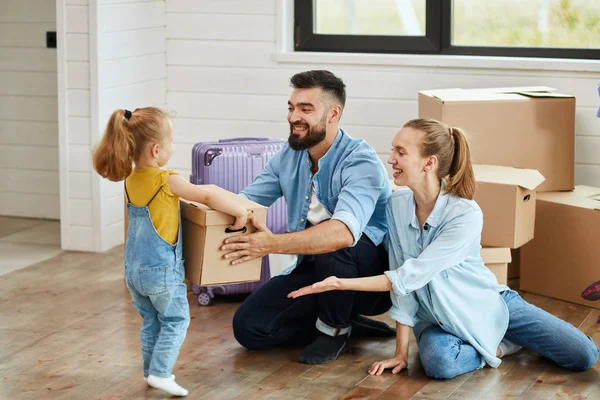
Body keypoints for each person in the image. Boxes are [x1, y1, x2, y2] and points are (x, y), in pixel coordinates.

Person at [289, 118, 599, 379]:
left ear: (429, 162)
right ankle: (500, 347)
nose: (391, 159)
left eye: (400, 152)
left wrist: (338, 282)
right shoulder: (397, 205)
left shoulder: (465, 214)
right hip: (437, 319)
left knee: (583, 355)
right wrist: (400, 353)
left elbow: (408, 275)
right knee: (439, 364)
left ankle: (497, 338)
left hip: (487, 307)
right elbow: (404, 290)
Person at [221, 70, 394, 364]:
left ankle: (336, 330)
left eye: (305, 109)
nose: (293, 117)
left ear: (333, 113)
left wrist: (270, 244)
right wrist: (198, 199)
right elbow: (244, 203)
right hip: (314, 268)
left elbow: (343, 233)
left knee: (333, 239)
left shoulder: (360, 160)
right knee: (249, 329)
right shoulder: (289, 155)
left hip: (369, 281)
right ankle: (341, 321)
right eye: (291, 107)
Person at [93, 107, 250, 396]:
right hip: (161, 271)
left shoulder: (131, 180)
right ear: (156, 150)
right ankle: (162, 373)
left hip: (133, 271)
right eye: (172, 141)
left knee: (151, 320)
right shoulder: (167, 180)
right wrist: (239, 212)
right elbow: (206, 195)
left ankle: (151, 370)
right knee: (176, 319)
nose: (173, 147)